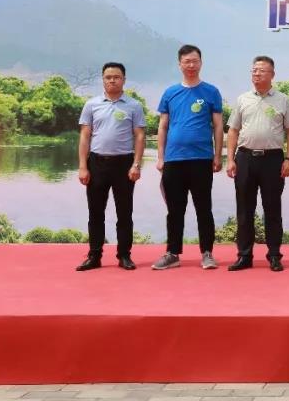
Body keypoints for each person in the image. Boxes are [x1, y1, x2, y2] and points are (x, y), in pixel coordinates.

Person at [225, 56, 289, 272]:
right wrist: (230, 159)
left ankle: (274, 255)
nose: (256, 74)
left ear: (272, 74)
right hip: (245, 158)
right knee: (244, 210)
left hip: (273, 159)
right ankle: (244, 255)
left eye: (262, 70)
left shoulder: (283, 100)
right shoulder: (243, 99)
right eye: (254, 70)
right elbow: (233, 130)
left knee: (272, 209)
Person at [152, 44, 223, 271]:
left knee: (204, 208)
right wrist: (161, 157)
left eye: (195, 61)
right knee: (175, 210)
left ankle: (207, 253)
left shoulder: (211, 92)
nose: (191, 65)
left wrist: (217, 155)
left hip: (201, 159)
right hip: (174, 160)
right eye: (187, 61)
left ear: (201, 63)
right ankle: (172, 253)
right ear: (179, 64)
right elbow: (163, 126)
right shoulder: (170, 93)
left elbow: (218, 126)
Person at [75, 62, 146, 271]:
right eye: (108, 77)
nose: (112, 80)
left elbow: (139, 136)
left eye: (116, 77)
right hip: (97, 163)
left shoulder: (134, 105)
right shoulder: (92, 104)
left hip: (124, 164)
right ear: (103, 79)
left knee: (124, 213)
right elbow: (85, 136)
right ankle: (94, 256)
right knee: (96, 212)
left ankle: (124, 255)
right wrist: (82, 166)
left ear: (124, 79)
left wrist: (136, 165)